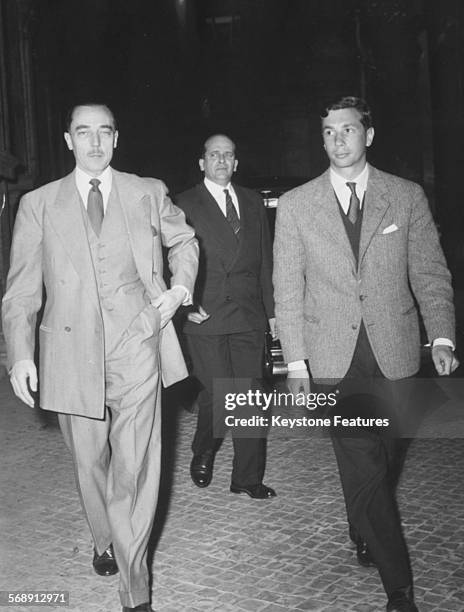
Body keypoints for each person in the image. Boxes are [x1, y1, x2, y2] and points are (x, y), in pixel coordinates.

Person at [1, 103, 199, 612]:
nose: (94, 143)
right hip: (68, 352)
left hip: (138, 344)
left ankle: (135, 589)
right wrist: (20, 354)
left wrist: (177, 292)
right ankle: (101, 535)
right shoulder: (39, 205)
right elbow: (21, 291)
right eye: (83, 133)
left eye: (103, 132)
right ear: (68, 140)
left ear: (117, 137)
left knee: (135, 468)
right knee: (90, 464)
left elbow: (185, 241)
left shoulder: (147, 192)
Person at [273, 96, 458, 612]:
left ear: (368, 136)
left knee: (386, 456)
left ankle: (362, 524)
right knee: (363, 461)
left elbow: (429, 272)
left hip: (396, 353)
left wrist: (441, 336)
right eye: (329, 132)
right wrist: (296, 363)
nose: (338, 141)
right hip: (333, 358)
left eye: (348, 130)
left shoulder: (405, 197)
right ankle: (399, 588)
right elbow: (287, 289)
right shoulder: (297, 204)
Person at [175, 134, 276, 499]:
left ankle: (247, 478)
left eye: (228, 155)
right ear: (201, 162)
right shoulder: (183, 203)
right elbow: (171, 258)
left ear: (236, 163)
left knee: (249, 395)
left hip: (248, 312)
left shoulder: (252, 201)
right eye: (213, 155)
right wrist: (186, 303)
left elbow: (265, 260)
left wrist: (272, 310)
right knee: (220, 393)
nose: (221, 161)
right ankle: (204, 448)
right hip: (206, 313)